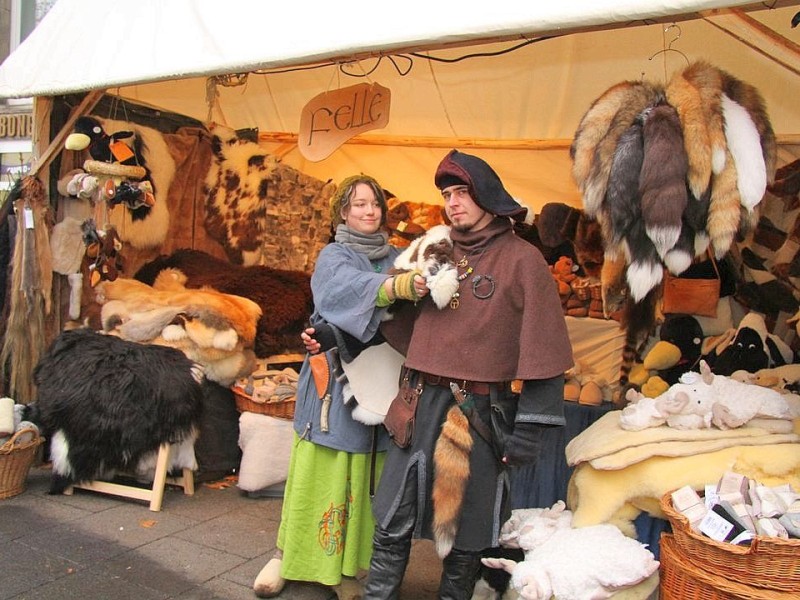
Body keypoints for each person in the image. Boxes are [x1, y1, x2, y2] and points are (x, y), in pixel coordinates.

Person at [358, 150, 575, 600]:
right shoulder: (432, 247)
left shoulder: (524, 261)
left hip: (476, 414)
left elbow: (546, 352)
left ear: (488, 196)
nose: (453, 202)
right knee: (392, 520)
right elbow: (383, 307)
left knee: (470, 531)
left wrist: (528, 431)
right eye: (447, 194)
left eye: (462, 192)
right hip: (418, 403)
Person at [253, 175, 427, 599]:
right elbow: (340, 290)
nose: (369, 212)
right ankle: (286, 556)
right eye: (359, 204)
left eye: (375, 205)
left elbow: (419, 296)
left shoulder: (400, 255)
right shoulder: (334, 255)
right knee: (322, 471)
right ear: (343, 213)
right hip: (336, 387)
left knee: (365, 478)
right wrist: (393, 288)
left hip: (383, 385)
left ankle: (347, 570)